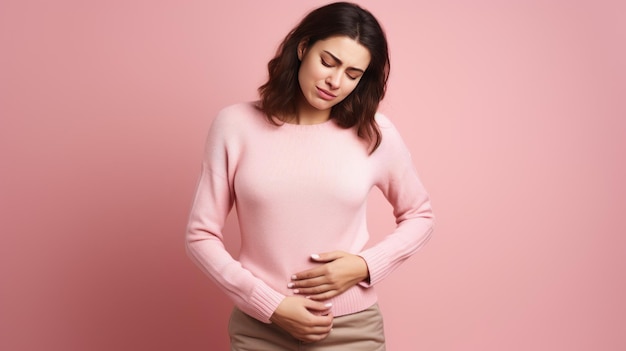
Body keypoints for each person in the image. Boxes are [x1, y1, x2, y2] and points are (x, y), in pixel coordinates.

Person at [186, 2, 434, 350]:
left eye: (352, 74)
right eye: (328, 62)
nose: (335, 81)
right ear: (303, 48)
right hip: (260, 330)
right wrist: (270, 304)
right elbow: (200, 236)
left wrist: (365, 265)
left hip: (352, 331)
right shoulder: (234, 126)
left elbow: (420, 215)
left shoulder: (374, 132)